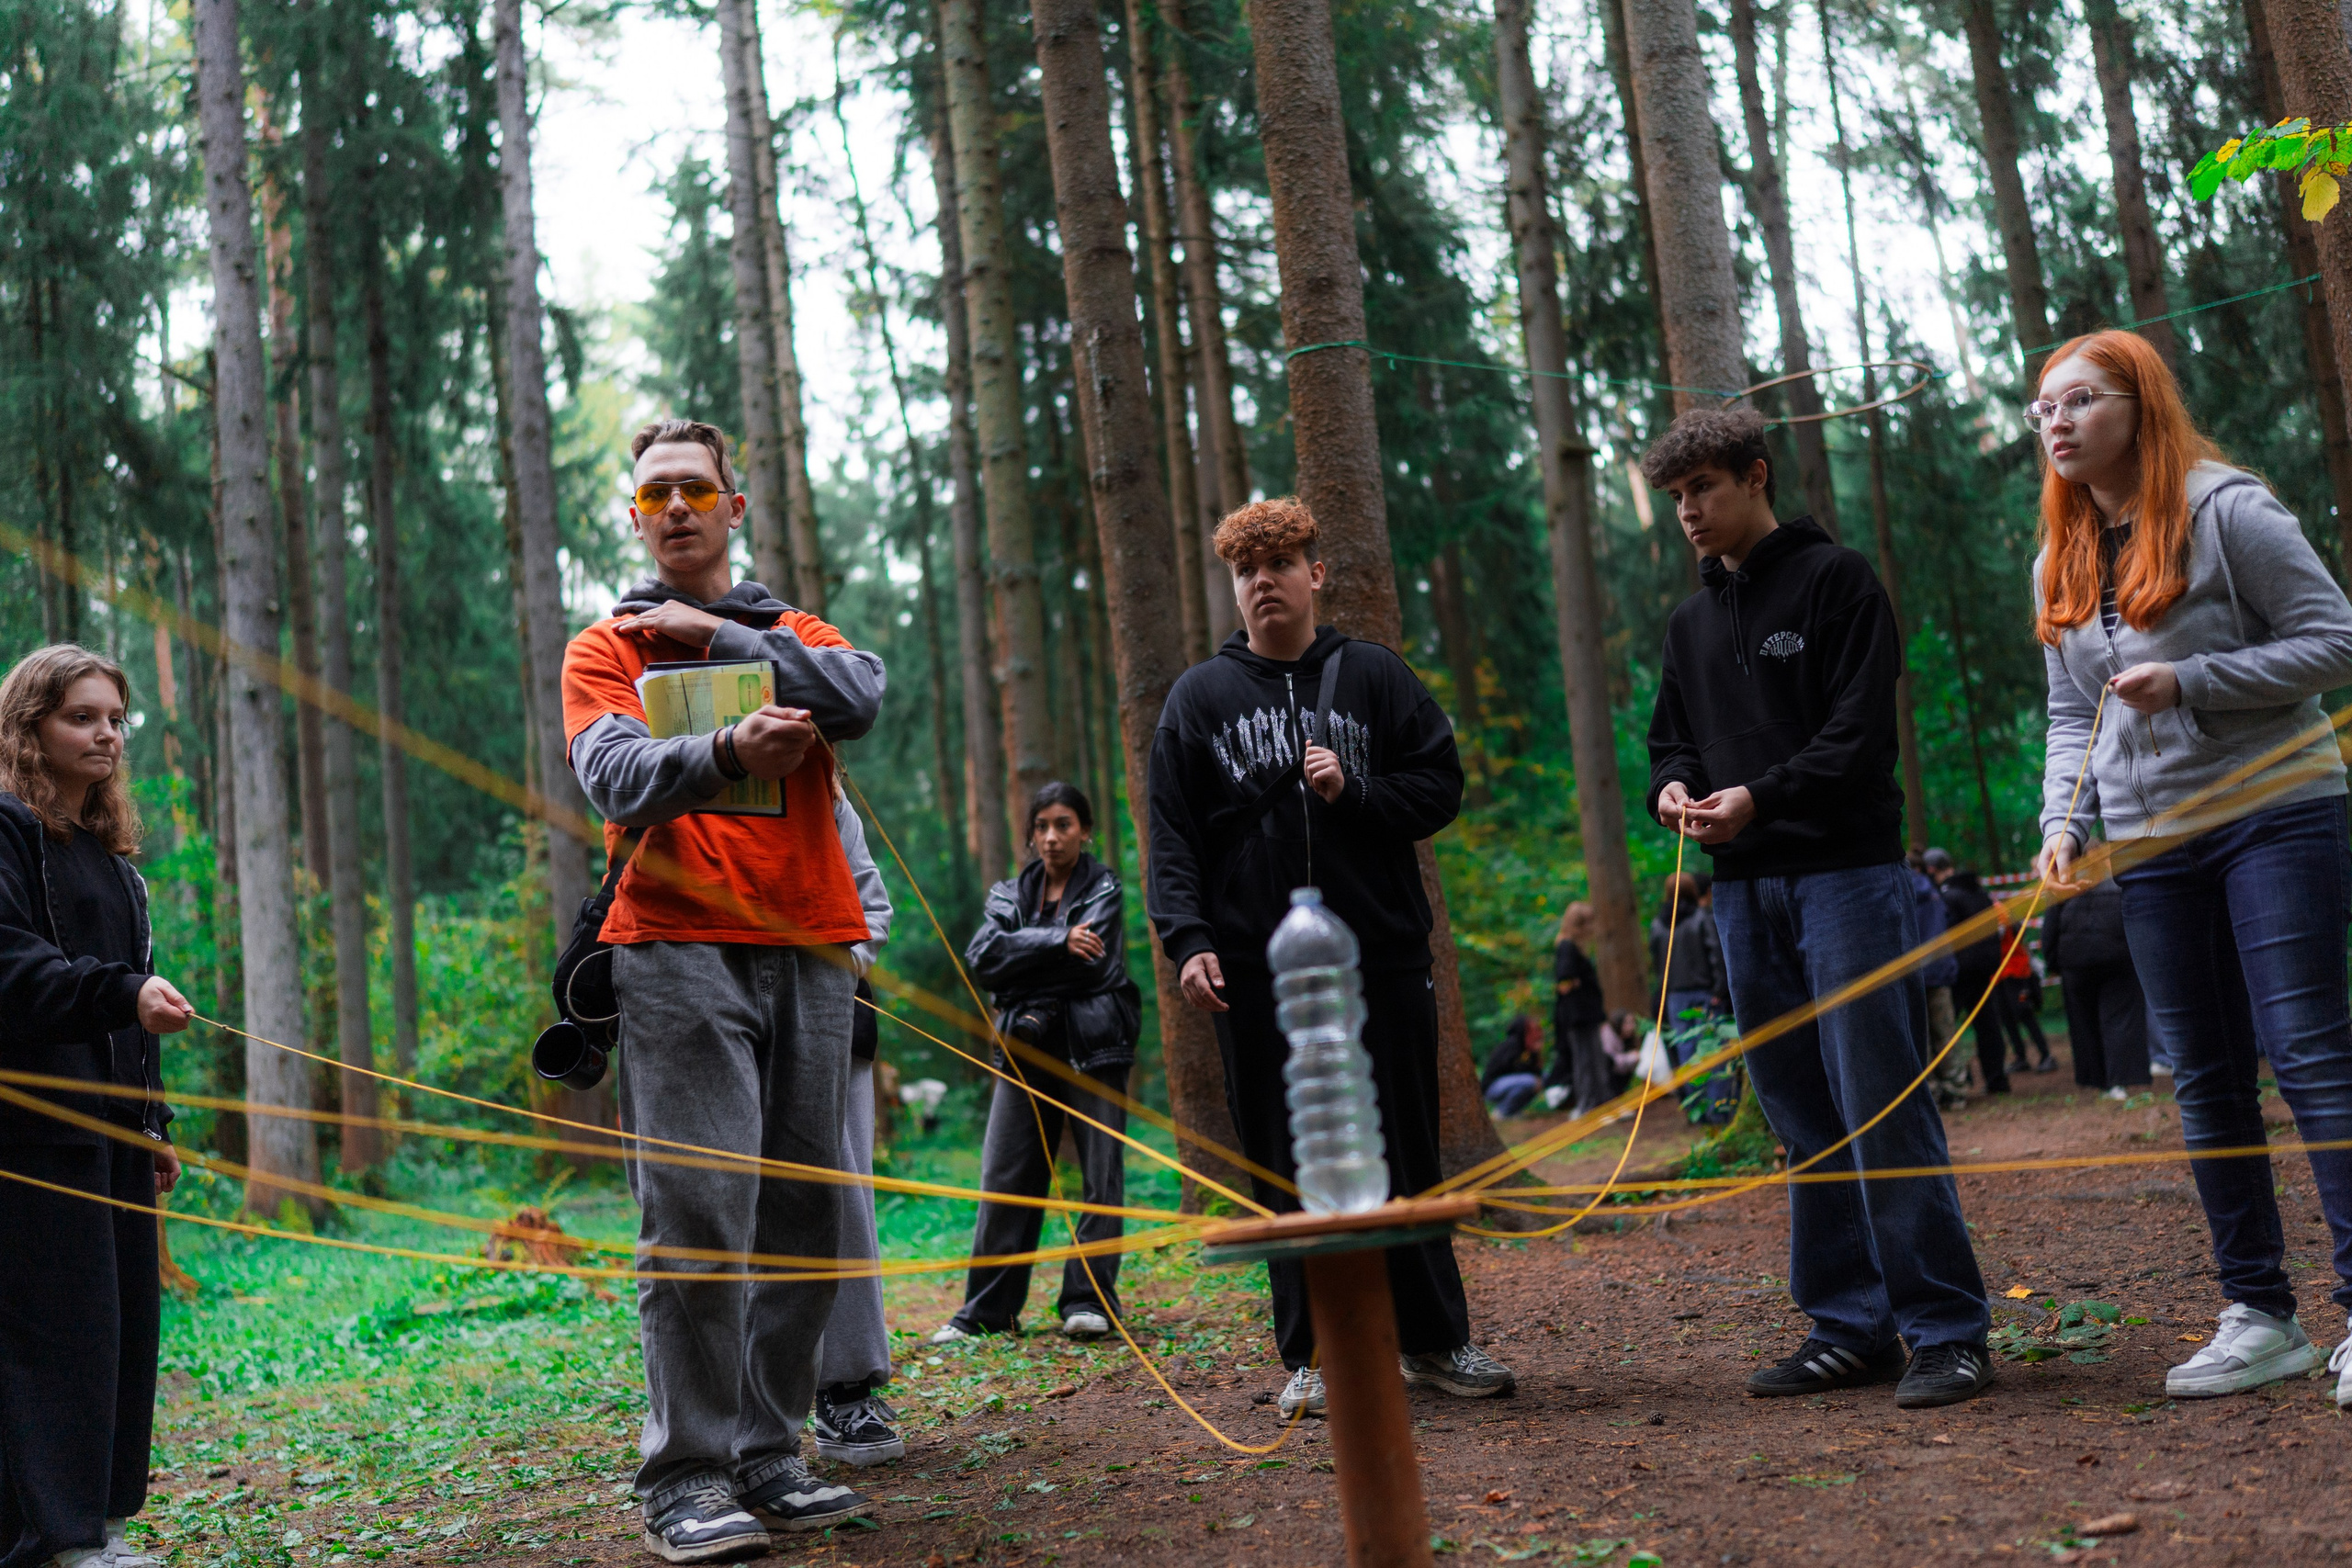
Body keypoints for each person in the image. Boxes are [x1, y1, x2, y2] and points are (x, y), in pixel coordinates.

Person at [562, 418, 886, 1558]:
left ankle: (768, 1450)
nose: (676, 509)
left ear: (732, 507)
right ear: (634, 517)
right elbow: (611, 771)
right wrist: (729, 753)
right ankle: (687, 1476)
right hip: (676, 946)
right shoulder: (607, 647)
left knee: (804, 1209)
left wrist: (722, 635)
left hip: (813, 943)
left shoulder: (790, 629)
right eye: (656, 494)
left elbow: (858, 694)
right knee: (698, 1213)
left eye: (696, 490)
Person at [1643, 405, 1994, 1409]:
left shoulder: (1837, 580)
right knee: (1799, 1111)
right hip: (1742, 892)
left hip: (1846, 878)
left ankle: (1946, 1330)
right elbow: (1669, 741)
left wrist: (1761, 796)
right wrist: (1672, 789)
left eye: (1703, 488)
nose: (1688, 512)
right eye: (1675, 497)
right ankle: (1849, 1326)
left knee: (1880, 1100)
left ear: (1756, 476)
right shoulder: (1690, 623)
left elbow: (1858, 735)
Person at [2029, 329, 2352, 1406]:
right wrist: (2063, 822)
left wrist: (2194, 680)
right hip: (2149, 841)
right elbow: (2069, 714)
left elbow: (2336, 641)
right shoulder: (2061, 553)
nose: (2058, 422)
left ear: (2140, 405)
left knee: (2306, 1053)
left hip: (2274, 812)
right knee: (2204, 1075)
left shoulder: (2227, 510)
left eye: (2081, 399)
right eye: (2043, 409)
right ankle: (2260, 1316)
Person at [1148, 496, 1516, 1419]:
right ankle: (1312, 1355)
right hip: (1253, 969)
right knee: (1281, 1157)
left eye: (1280, 563)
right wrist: (1188, 940)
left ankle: (1432, 1340)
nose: (1262, 581)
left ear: (1315, 574)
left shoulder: (1376, 675)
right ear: (1234, 587)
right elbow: (1172, 835)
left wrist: (1356, 792)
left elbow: (1440, 786)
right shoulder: (1199, 698)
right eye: (1246, 570)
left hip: (1380, 957)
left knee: (1405, 1144)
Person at [0, 644, 195, 1568]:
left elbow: (134, 1000)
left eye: (116, 719)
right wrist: (122, 992)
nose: (107, 734)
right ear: (29, 727)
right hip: (33, 1135)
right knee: (54, 1334)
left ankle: (98, 1524)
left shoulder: (117, 865)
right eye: (81, 717)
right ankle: (57, 1536)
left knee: (120, 1330)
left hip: (113, 1137)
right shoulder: (8, 831)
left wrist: (154, 1123)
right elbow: (12, 966)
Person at [933, 782, 1140, 1345]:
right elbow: (983, 958)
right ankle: (987, 1312)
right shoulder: (1007, 895)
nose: (1052, 837)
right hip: (1024, 1048)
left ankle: (1088, 1300)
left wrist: (1021, 961)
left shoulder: (1104, 887)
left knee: (1100, 1175)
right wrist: (1057, 942)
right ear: (1029, 835)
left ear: (1085, 830)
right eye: (1042, 826)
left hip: (1093, 1044)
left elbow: (1094, 968)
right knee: (1005, 1175)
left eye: (1064, 824)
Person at [808, 790, 905, 1467]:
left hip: (831, 1027)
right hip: (727, 1026)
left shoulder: (829, 799)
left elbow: (872, 909)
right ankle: (744, 1415)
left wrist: (822, 976)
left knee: (843, 1201)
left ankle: (846, 1389)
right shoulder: (688, 780)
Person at [2038, 876, 2148, 1100]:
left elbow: (2049, 929)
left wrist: (2052, 962)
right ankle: (2119, 1081)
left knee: (2084, 1022)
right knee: (2120, 1021)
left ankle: (2096, 1079)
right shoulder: (2120, 883)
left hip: (2076, 964)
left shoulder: (2062, 887)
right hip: (2118, 961)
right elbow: (2139, 919)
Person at [1939, 868, 2015, 1097]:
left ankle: (1959, 1081)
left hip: (1960, 972)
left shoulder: (1948, 897)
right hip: (1984, 969)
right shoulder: (1982, 895)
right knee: (1988, 1025)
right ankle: (1997, 1079)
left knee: (1946, 1027)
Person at [1909, 850, 1966, 1111]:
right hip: (1940, 972)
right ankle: (1956, 1091)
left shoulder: (1898, 892)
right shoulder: (1934, 892)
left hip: (1913, 976)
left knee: (1920, 1039)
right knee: (1946, 1035)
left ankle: (1930, 1094)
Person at [1544, 903, 1611, 1114]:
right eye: (1589, 923)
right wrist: (1577, 983)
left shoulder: (1573, 947)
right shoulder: (1566, 947)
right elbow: (1564, 980)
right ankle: (1587, 1105)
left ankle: (1602, 1104)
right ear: (1580, 925)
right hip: (1578, 1015)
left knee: (1595, 1060)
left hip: (1587, 1014)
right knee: (1585, 1062)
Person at [1999, 929, 2056, 1074]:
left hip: (2016, 971)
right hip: (1999, 974)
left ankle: (2046, 1055)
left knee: (2024, 1013)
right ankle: (2021, 1058)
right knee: (2006, 1016)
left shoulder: (2001, 916)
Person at [1481, 1016, 1545, 1117]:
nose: (1536, 1033)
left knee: (1543, 1079)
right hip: (1492, 1087)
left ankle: (1511, 1111)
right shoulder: (1512, 1044)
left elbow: (1537, 1073)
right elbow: (1515, 1069)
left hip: (1511, 1084)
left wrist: (1536, 1054)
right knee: (1531, 1081)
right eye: (1532, 1030)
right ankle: (1501, 1112)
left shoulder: (1526, 1048)